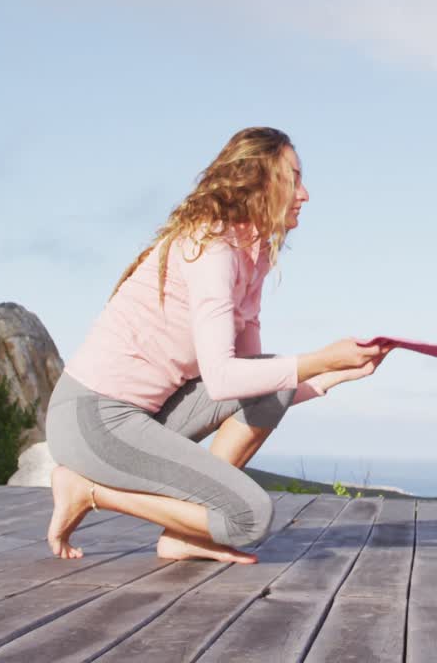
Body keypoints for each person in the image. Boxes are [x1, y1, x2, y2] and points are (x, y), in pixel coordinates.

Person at [43, 126, 392, 563]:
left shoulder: (254, 254)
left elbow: (261, 383)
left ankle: (183, 535)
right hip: (93, 420)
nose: (305, 194)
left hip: (145, 416)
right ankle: (87, 490)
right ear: (259, 181)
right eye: (294, 178)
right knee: (249, 518)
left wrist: (332, 375)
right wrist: (318, 358)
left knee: (273, 376)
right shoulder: (213, 250)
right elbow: (223, 379)